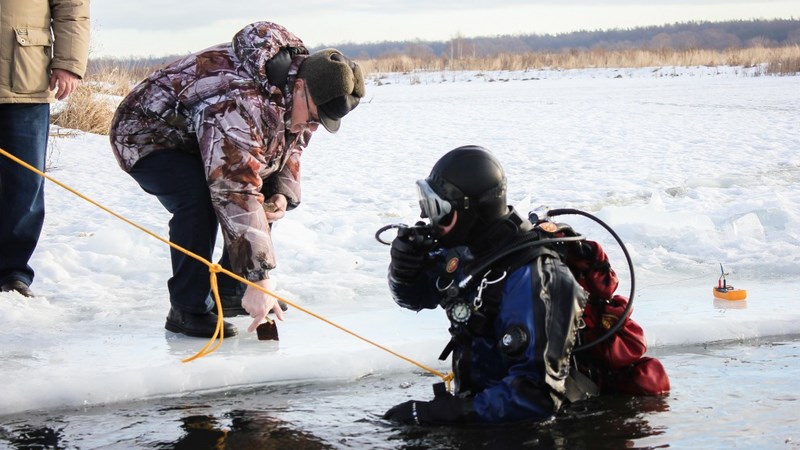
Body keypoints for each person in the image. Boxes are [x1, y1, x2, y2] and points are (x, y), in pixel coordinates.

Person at [109, 21, 365, 338]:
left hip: (200, 138)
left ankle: (231, 291)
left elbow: (288, 146)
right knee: (201, 199)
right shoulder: (239, 101)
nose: (313, 129)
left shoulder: (298, 83)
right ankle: (187, 307)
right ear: (300, 88)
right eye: (314, 118)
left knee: (264, 197)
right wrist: (260, 278)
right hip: (148, 136)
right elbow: (234, 187)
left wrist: (282, 193)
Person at [382, 145, 669, 425]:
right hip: (487, 409)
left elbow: (538, 397)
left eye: (439, 210)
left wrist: (450, 413)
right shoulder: (466, 251)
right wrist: (403, 270)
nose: (429, 219)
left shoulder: (538, 278)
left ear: (472, 212)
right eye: (428, 205)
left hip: (557, 425)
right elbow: (415, 298)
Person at [0, 0, 90, 298]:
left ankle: (11, 273)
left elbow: (72, 8)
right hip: (23, 76)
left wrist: (69, 63)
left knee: (24, 184)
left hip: (24, 79)